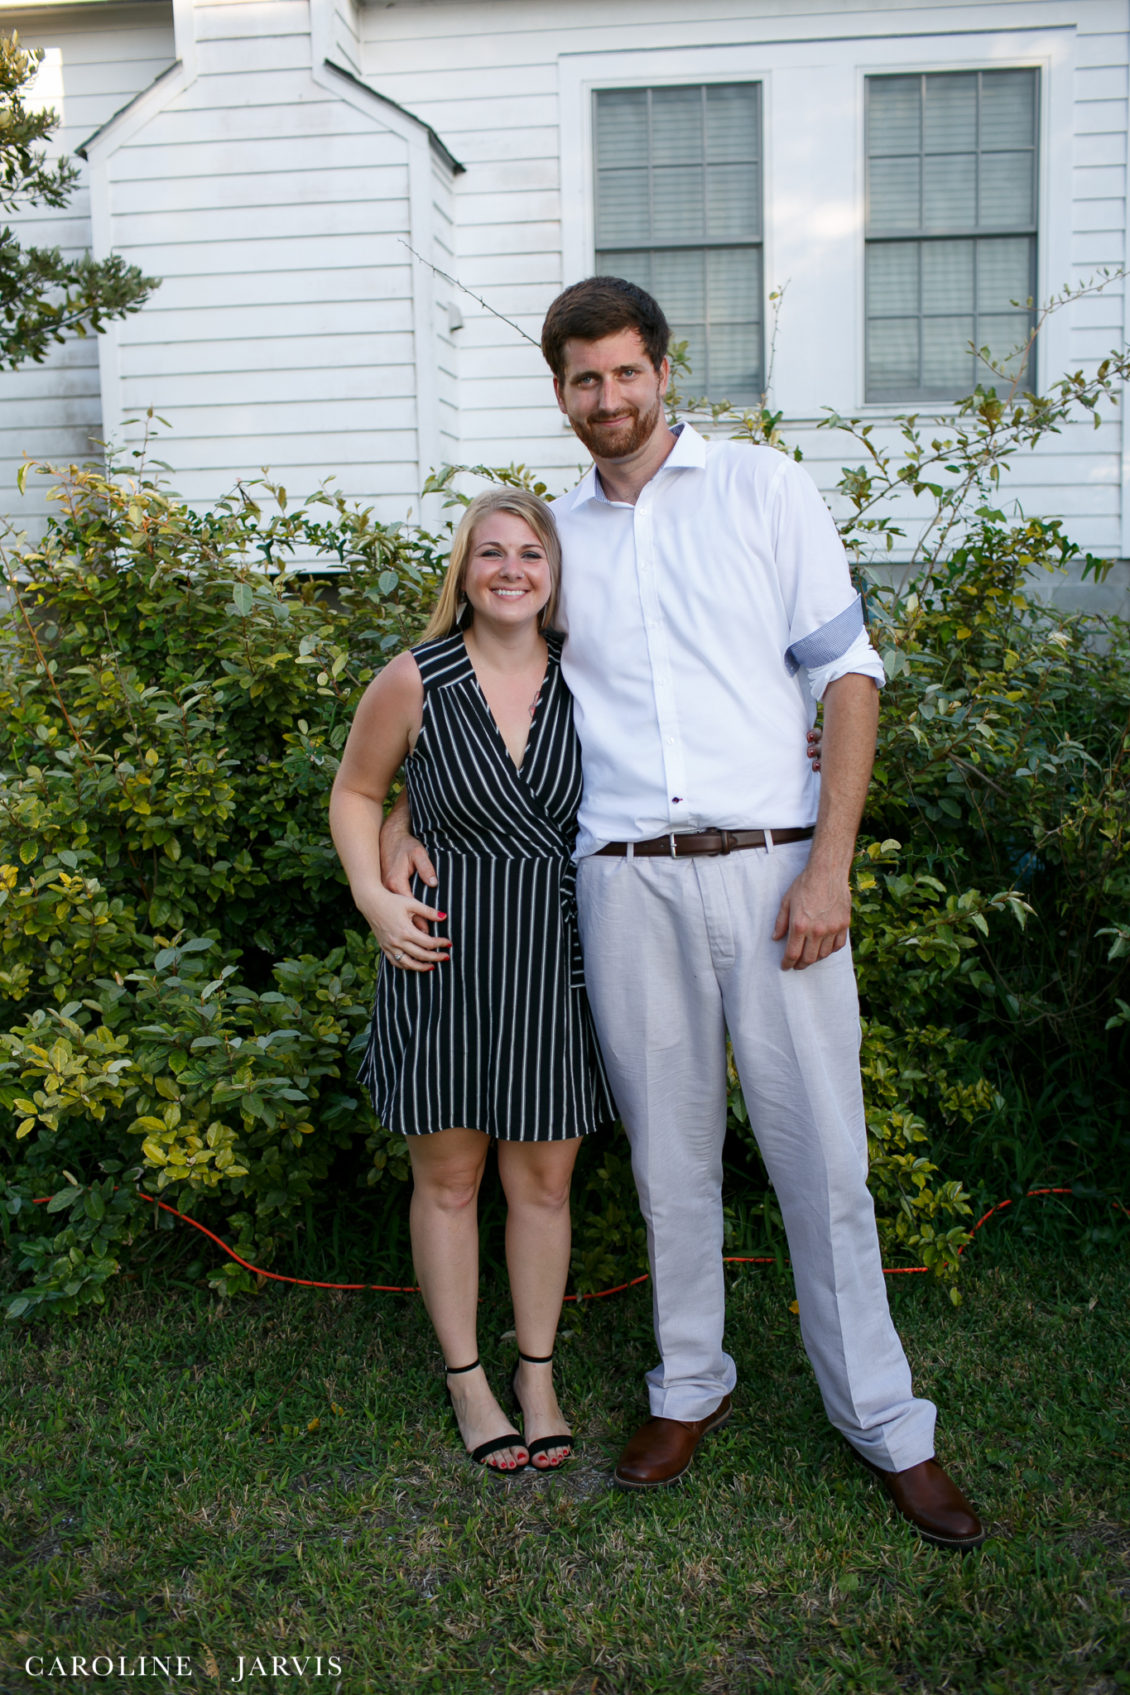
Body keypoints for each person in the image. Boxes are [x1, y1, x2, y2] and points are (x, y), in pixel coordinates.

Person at [384, 277, 985, 1548]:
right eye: (580, 380)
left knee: (821, 1160)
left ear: (664, 371)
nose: (606, 399)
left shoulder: (762, 490)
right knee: (667, 1160)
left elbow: (848, 671)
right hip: (622, 882)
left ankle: (883, 1418)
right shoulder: (550, 544)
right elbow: (478, 698)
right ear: (558, 393)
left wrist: (829, 865)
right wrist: (395, 821)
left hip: (774, 871)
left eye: (623, 373)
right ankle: (687, 1384)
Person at [329, 487, 614, 1473]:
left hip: (555, 958)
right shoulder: (416, 678)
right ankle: (468, 1383)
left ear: (553, 573)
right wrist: (373, 892)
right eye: (489, 552)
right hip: (440, 953)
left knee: (541, 1186)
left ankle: (536, 1373)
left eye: (530, 553)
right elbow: (359, 790)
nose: (509, 570)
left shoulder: (592, 677)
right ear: (463, 570)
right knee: (448, 1183)